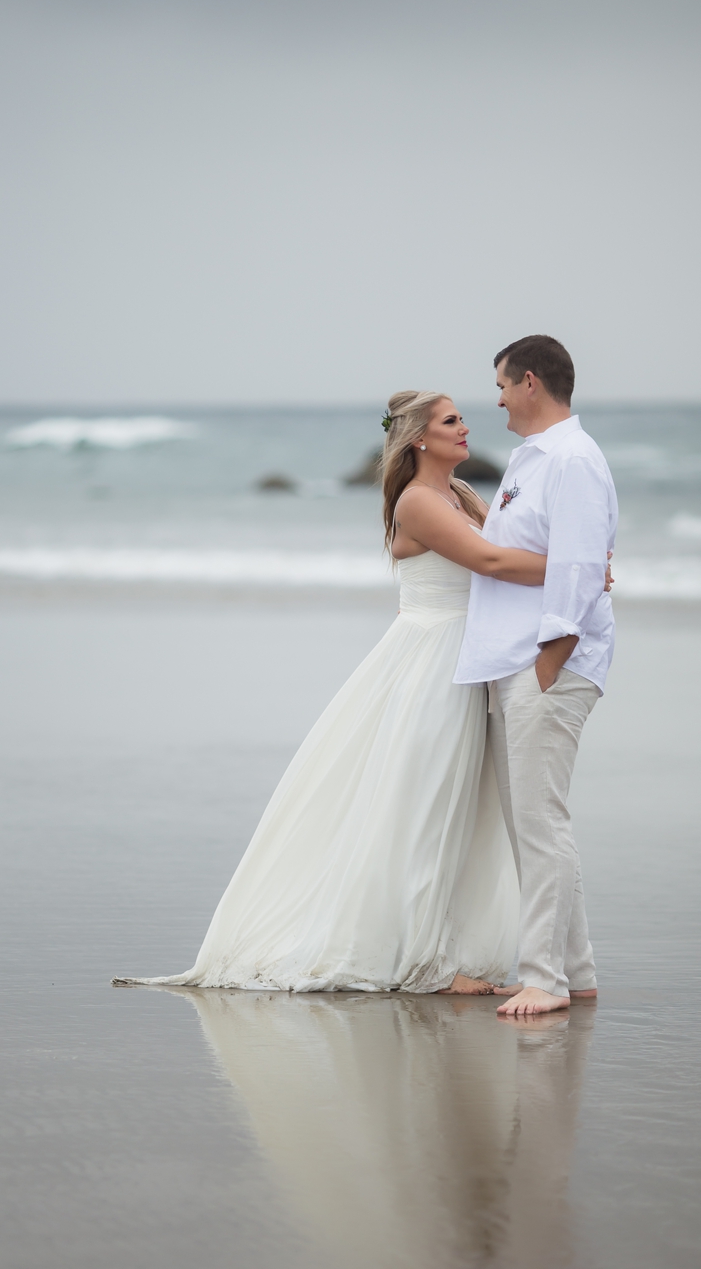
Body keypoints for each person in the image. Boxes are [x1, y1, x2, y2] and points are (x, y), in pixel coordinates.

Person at [114, 390, 594, 995]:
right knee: (424, 808)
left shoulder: (462, 494)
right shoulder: (419, 501)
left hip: (466, 662)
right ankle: (427, 964)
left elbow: (502, 560)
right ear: (419, 437)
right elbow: (492, 561)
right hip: (432, 665)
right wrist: (576, 567)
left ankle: (441, 946)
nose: (467, 426)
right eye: (451, 421)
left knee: (454, 813)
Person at [454, 336, 618, 1018]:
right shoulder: (534, 458)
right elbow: (514, 550)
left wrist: (548, 662)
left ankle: (544, 978)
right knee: (536, 824)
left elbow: (580, 566)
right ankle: (575, 971)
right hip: (515, 660)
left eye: (500, 385)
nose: (494, 401)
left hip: (544, 663)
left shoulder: (572, 460)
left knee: (539, 823)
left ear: (529, 382)